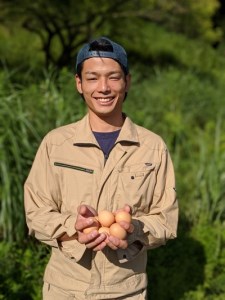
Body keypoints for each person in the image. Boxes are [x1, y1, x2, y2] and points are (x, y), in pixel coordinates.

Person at [24, 37, 178, 300]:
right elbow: (35, 212)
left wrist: (134, 230)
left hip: (127, 290)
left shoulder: (152, 147)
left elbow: (167, 219)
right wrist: (72, 226)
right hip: (64, 290)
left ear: (127, 82)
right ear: (79, 83)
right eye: (93, 78)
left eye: (113, 77)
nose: (103, 88)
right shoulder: (56, 144)